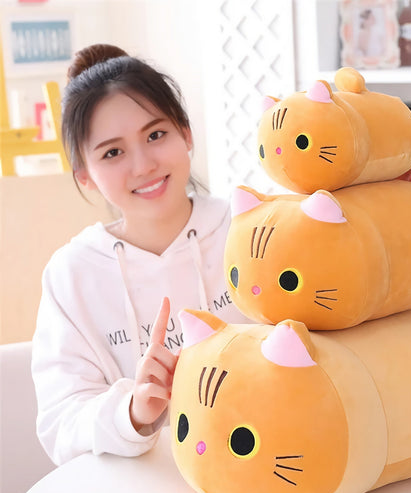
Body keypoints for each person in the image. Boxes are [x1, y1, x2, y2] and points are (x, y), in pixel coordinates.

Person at [31, 44, 250, 466]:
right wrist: (132, 411)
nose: (144, 165)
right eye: (113, 152)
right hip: (142, 487)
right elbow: (60, 424)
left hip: (269, 463)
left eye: (155, 135)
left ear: (185, 133)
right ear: (85, 175)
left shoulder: (249, 228)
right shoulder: (72, 274)